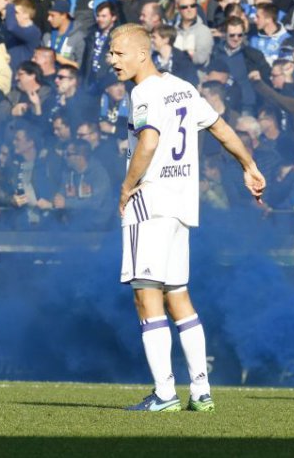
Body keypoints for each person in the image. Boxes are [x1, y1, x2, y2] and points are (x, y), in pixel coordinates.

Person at [108, 24, 265, 412]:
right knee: (178, 295)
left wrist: (128, 186)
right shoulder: (183, 87)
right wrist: (248, 164)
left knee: (146, 296)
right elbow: (220, 128)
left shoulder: (143, 92)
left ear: (142, 54)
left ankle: (164, 394)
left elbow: (148, 141)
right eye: (111, 54)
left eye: (118, 54)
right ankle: (201, 391)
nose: (112, 61)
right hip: (181, 206)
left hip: (151, 201)